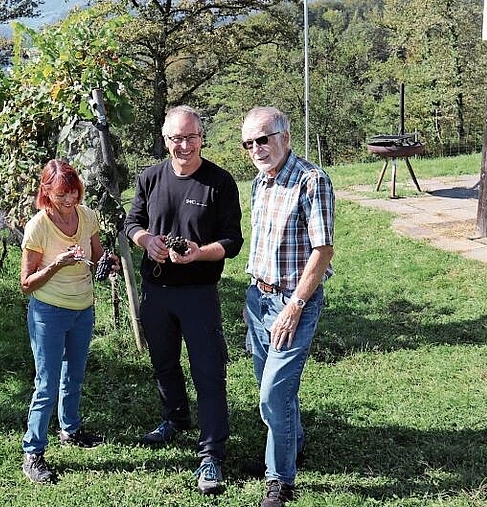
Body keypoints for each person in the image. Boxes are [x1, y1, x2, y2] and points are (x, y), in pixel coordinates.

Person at [124, 105, 244, 495]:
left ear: (201, 138)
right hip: (156, 292)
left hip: (198, 293)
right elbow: (132, 223)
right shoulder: (150, 177)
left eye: (191, 137)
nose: (184, 145)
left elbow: (232, 241)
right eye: (176, 138)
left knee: (208, 372)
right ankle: (174, 418)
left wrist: (198, 252)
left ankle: (211, 454)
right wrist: (146, 240)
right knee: (163, 363)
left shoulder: (219, 182)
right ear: (166, 140)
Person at [241, 106, 335, 507]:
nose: (257, 149)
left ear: (286, 136)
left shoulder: (312, 180)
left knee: (273, 395)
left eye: (264, 139)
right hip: (257, 299)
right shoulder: (259, 184)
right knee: (274, 388)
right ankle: (291, 444)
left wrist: (295, 304)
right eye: (249, 143)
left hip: (292, 302)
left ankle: (279, 480)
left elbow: (323, 249)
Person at [19, 159, 118, 483]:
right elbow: (26, 283)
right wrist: (57, 265)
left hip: (83, 309)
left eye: (74, 193)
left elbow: (97, 255)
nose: (69, 200)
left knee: (73, 376)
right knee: (46, 384)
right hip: (48, 311)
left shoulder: (87, 216)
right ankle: (33, 453)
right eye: (62, 195)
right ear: (46, 192)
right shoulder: (38, 226)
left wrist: (108, 263)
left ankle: (70, 430)